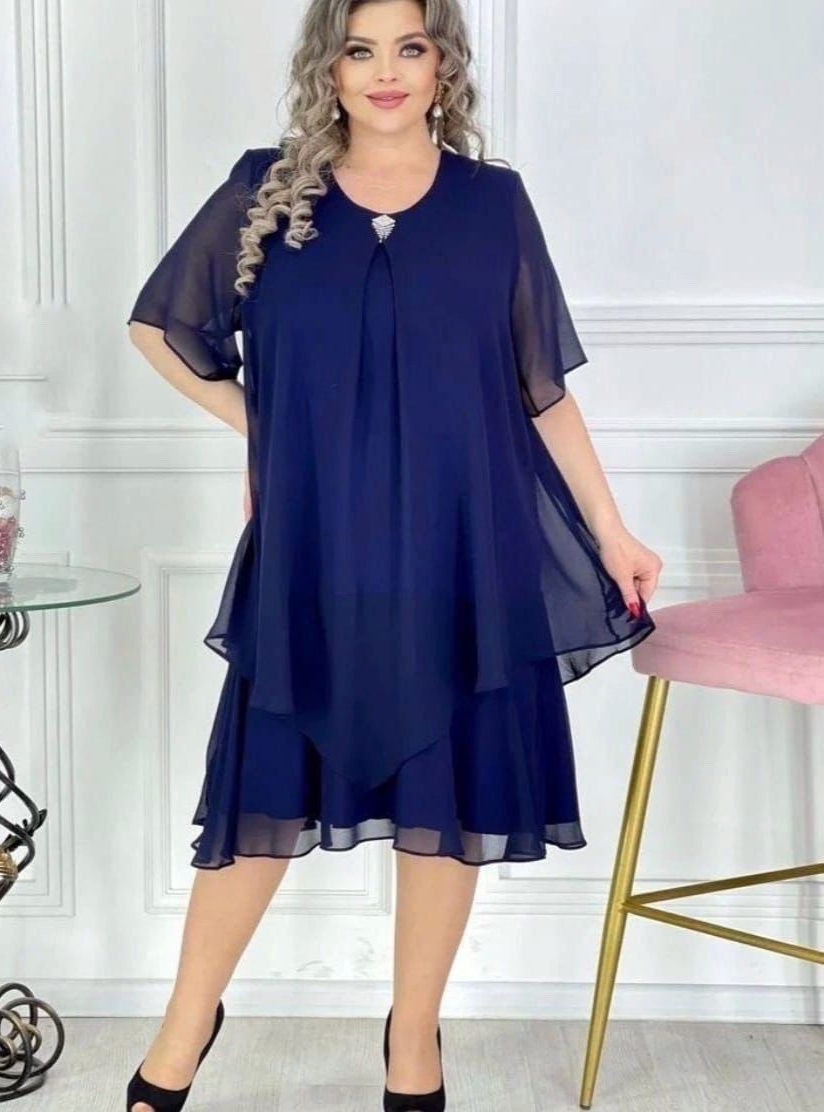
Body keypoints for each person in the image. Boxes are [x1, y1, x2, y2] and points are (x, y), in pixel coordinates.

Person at [124, 1, 662, 1109]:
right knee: (263, 794)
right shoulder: (265, 191)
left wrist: (613, 531)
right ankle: (183, 1028)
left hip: (465, 546)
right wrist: (264, 431)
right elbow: (157, 330)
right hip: (316, 548)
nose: (384, 72)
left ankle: (412, 1037)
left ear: (440, 64)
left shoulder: (491, 204)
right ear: (327, 70)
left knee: (448, 800)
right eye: (358, 50)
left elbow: (541, 391)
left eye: (408, 48)